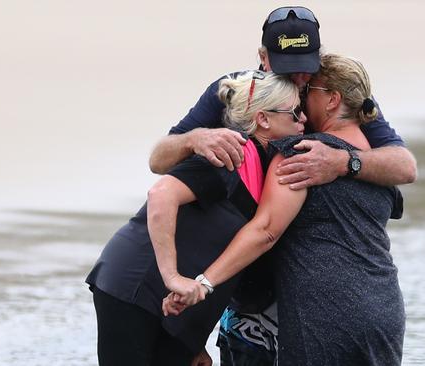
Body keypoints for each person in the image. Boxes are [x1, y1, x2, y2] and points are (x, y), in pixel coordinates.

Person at [149, 6, 415, 365]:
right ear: (262, 59)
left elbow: (404, 165)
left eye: (306, 68)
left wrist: (341, 162)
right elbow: (158, 161)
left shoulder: (333, 95)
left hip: (315, 288)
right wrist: (194, 139)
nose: (298, 81)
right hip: (250, 290)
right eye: (287, 69)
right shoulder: (235, 91)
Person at [85, 71, 306, 366]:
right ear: (264, 119)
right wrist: (171, 277)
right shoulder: (233, 153)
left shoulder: (264, 166)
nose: (304, 119)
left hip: (175, 306)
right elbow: (161, 194)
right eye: (296, 112)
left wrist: (194, 342)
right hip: (134, 284)